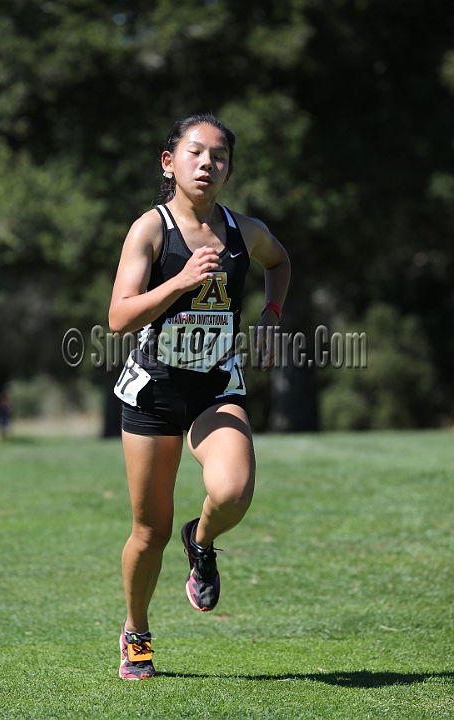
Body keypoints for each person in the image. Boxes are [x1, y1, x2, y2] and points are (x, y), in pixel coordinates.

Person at [109, 113, 290, 680]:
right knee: (149, 532)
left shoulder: (243, 233)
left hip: (216, 384)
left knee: (233, 492)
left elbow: (280, 262)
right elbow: (118, 317)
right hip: (156, 389)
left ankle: (202, 539)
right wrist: (181, 281)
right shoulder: (150, 230)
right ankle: (136, 632)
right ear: (171, 163)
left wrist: (271, 316)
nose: (208, 162)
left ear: (229, 171)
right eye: (195, 152)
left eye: (219, 156)